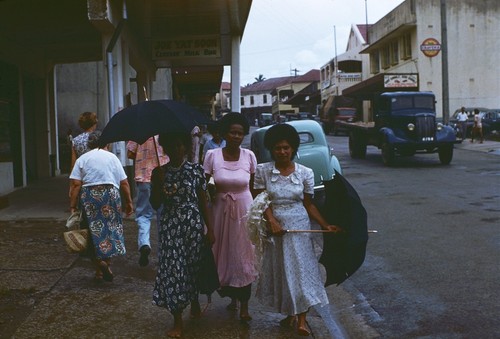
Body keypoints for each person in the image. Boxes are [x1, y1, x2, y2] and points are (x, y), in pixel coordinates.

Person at [253, 123, 341, 336]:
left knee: (302, 271)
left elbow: (309, 204)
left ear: (293, 148)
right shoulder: (262, 171)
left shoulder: (305, 173)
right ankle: (289, 313)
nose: (282, 152)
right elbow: (260, 201)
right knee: (283, 271)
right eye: (277, 148)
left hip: (299, 228)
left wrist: (324, 224)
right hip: (276, 230)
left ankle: (302, 319)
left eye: (286, 147)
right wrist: (271, 221)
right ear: (271, 149)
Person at [150, 131, 215, 338]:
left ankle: (194, 299)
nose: (177, 150)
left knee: (193, 266)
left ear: (186, 147)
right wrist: (159, 185)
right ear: (165, 148)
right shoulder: (158, 173)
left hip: (192, 225)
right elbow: (155, 204)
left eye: (180, 145)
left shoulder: (196, 171)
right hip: (170, 228)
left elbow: (203, 201)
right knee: (174, 271)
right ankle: (177, 320)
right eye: (172, 146)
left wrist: (209, 228)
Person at [203, 112, 258, 321]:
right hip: (219, 211)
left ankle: (244, 304)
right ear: (225, 133)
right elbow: (203, 184)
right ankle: (230, 297)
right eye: (232, 132)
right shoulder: (212, 155)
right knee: (221, 255)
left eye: (240, 133)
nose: (236, 136)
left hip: (244, 212)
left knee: (244, 256)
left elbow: (253, 188)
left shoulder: (249, 156)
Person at [69, 131, 134, 282]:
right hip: (110, 195)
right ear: (106, 143)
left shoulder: (82, 159)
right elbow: (124, 182)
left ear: (89, 144)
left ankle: (99, 267)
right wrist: (129, 202)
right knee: (109, 230)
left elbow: (76, 184)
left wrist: (72, 206)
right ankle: (107, 263)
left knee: (92, 231)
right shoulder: (112, 158)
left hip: (90, 196)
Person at [127, 136, 169, 267]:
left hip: (144, 177)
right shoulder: (165, 130)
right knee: (164, 215)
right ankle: (164, 254)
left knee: (144, 214)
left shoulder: (139, 130)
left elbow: (130, 153)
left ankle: (144, 243)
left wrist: (143, 156)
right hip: (162, 177)